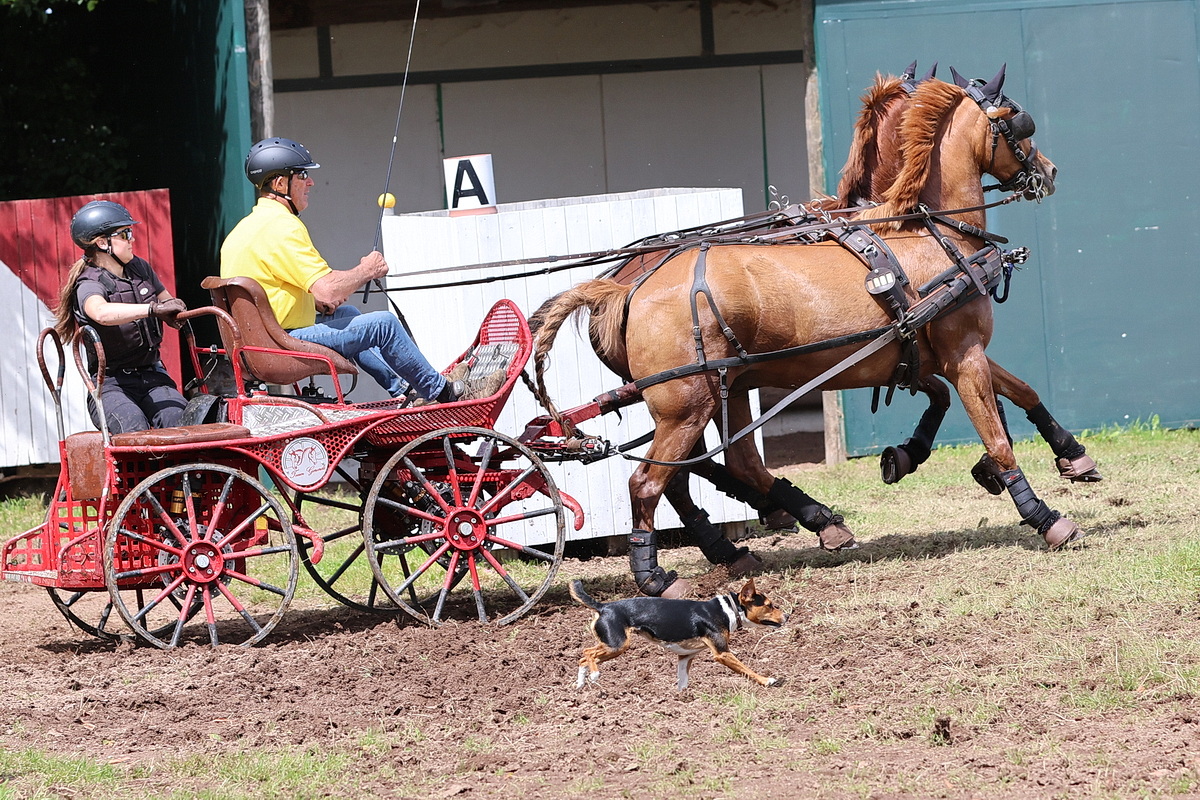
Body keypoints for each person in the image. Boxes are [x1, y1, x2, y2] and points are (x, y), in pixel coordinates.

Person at [219, 137, 463, 404]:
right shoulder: (282, 226)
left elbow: (269, 291)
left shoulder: (242, 230)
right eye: (302, 175)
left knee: (348, 313)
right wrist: (366, 270)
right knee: (385, 325)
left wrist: (313, 301)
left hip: (258, 344)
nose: (310, 182)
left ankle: (404, 390)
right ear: (280, 184)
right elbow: (329, 288)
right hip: (283, 343)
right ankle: (443, 393)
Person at [53, 200, 189, 434]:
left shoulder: (140, 268)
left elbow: (167, 301)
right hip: (110, 384)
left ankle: (181, 471)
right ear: (102, 242)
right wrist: (151, 310)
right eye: (125, 234)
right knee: (132, 426)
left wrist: (172, 309)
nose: (131, 239)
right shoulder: (89, 282)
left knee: (181, 421)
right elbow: (100, 312)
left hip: (152, 375)